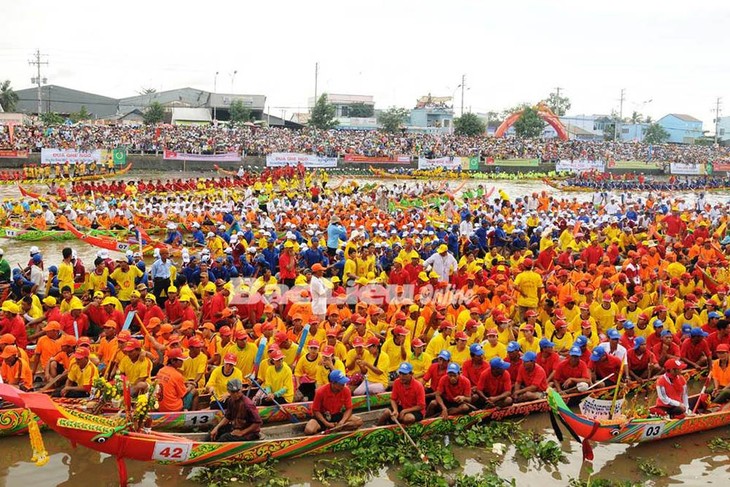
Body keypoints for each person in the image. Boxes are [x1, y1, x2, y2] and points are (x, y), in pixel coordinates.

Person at [305, 369, 363, 435]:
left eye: (343, 383)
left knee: (358, 421)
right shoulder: (320, 391)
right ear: (333, 383)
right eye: (341, 384)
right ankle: (329, 429)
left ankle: (336, 429)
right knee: (309, 430)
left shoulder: (346, 390)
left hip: (336, 415)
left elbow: (349, 408)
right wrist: (326, 423)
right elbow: (316, 411)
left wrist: (342, 422)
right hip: (323, 416)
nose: (343, 385)